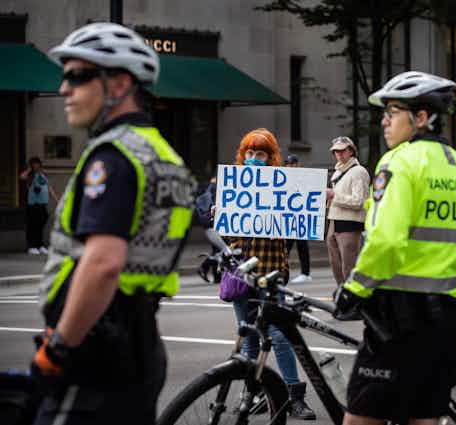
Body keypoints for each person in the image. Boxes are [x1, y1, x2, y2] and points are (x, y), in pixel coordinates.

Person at [32, 23, 195, 425]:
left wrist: (59, 348)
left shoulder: (113, 157)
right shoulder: (163, 154)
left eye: (78, 76)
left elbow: (103, 264)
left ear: (119, 84)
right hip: (139, 346)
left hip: (94, 350)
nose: (64, 89)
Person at [333, 71, 456, 425]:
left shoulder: (400, 162)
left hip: (397, 316)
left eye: (393, 112)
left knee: (361, 418)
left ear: (421, 118)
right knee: (424, 416)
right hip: (448, 316)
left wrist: (354, 288)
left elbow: (386, 240)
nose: (385, 121)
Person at [228, 129, 316, 420]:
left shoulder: (283, 187)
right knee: (250, 337)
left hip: (270, 273)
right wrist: (219, 212)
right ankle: (255, 394)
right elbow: (227, 233)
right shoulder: (233, 186)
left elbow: (295, 226)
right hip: (241, 276)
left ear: (270, 157)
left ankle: (294, 396)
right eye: (250, 154)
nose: (254, 159)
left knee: (278, 336)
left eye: (261, 154)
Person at [326, 136, 370, 286]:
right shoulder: (338, 171)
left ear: (351, 151)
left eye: (342, 151)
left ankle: (352, 296)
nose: (338, 154)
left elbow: (359, 201)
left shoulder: (359, 171)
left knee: (348, 265)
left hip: (350, 224)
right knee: (336, 263)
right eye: (335, 152)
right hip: (334, 221)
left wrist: (333, 195)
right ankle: (342, 292)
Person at [20, 157, 59, 254]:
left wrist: (57, 199)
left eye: (37, 163)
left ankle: (40, 245)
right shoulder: (30, 175)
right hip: (33, 203)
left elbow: (49, 187)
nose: (36, 166)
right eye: (34, 164)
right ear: (31, 165)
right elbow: (22, 177)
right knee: (32, 225)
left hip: (42, 203)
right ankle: (31, 246)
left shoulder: (42, 174)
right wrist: (29, 169)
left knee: (40, 225)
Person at [284, 154, 312, 283]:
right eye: (288, 164)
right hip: (288, 217)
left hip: (300, 217)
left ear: (297, 164)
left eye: (291, 164)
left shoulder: (304, 178)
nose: (289, 166)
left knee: (302, 246)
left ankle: (305, 273)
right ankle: (282, 269)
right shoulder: (284, 178)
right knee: (286, 246)